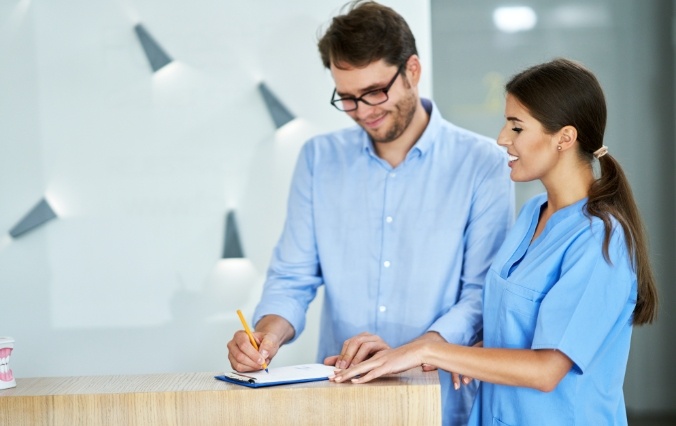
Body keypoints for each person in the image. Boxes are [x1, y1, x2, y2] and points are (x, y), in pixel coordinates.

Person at [227, 1, 513, 424]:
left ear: (412, 70)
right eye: (347, 98)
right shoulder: (318, 159)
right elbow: (293, 277)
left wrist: (414, 352)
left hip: (439, 404)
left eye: (376, 91)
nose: (364, 110)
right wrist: (267, 336)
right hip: (342, 402)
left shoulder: (483, 164)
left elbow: (481, 295)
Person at [331, 58, 659, 425]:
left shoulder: (601, 239)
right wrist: (418, 354)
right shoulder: (532, 213)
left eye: (516, 127)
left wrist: (431, 349)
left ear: (565, 138)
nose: (503, 138)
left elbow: (547, 369)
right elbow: (515, 334)